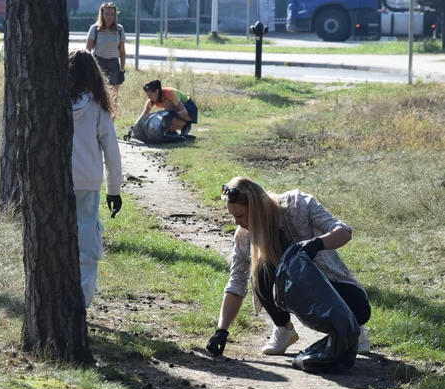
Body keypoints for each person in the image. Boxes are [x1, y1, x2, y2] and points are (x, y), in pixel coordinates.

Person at [206, 177, 371, 368]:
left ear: (257, 208)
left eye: (241, 216)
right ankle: (284, 329)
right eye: (233, 217)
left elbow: (343, 231)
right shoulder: (244, 236)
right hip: (295, 294)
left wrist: (316, 244)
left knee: (360, 307)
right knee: (260, 272)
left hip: (330, 285)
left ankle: (354, 329)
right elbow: (236, 284)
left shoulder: (297, 204)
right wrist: (221, 331)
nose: (238, 223)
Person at [69, 49, 123, 307]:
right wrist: (114, 190)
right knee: (87, 245)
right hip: (88, 183)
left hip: (59, 182)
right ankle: (82, 302)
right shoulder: (98, 109)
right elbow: (112, 154)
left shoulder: (54, 103)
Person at [86, 2, 126, 115]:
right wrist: (89, 69)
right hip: (99, 64)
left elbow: (122, 52)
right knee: (97, 96)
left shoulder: (119, 30)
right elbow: (88, 51)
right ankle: (97, 125)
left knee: (113, 98)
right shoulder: (95, 29)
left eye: (112, 14)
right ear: (102, 14)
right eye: (107, 14)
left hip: (114, 65)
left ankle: (110, 128)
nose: (109, 17)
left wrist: (122, 70)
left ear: (115, 15)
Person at [133, 79, 198, 137]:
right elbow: (144, 114)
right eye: (147, 95)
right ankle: (185, 126)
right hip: (182, 118)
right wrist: (134, 127)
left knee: (167, 104)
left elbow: (184, 111)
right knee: (163, 124)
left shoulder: (169, 94)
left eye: (150, 95)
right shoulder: (151, 100)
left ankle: (173, 132)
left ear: (157, 91)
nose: (149, 98)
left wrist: (173, 115)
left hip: (190, 110)